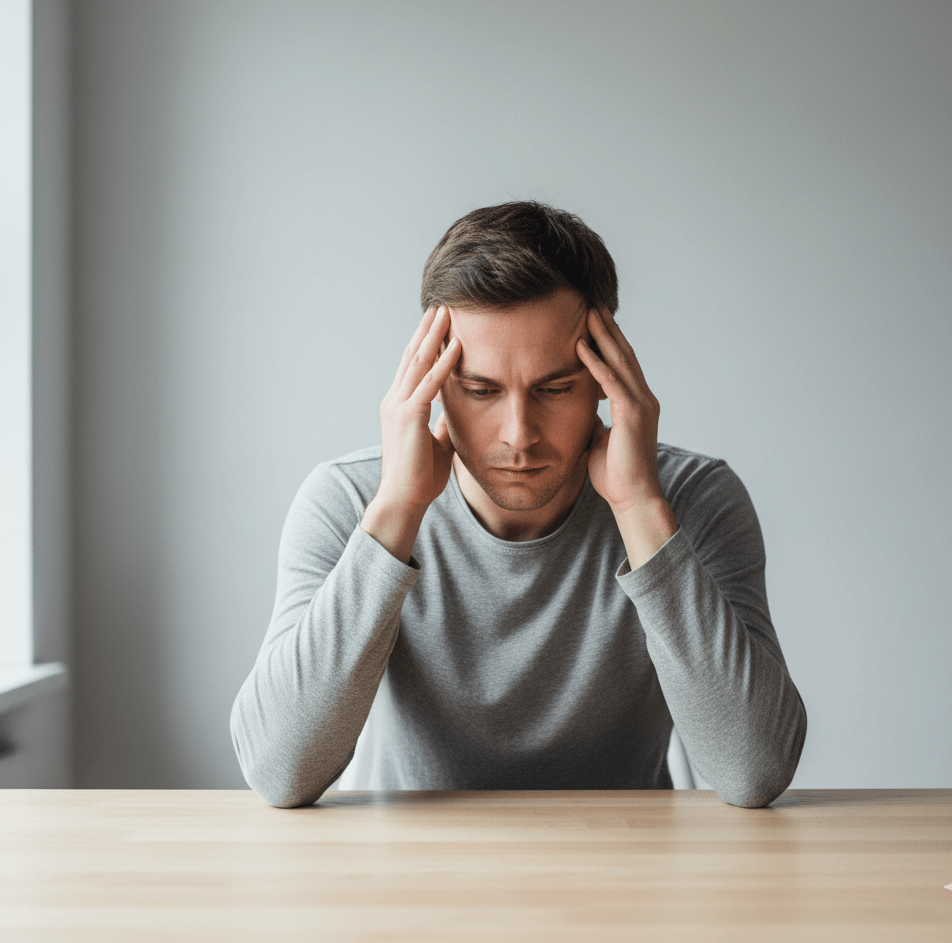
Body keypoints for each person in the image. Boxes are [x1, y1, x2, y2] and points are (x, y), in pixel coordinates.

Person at [230, 201, 807, 808]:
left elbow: (755, 769)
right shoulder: (349, 501)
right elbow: (278, 771)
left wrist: (639, 507)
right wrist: (397, 508)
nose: (518, 434)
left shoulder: (691, 499)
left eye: (555, 388)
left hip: (629, 874)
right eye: (480, 390)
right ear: (429, 380)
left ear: (612, 377)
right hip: (410, 880)